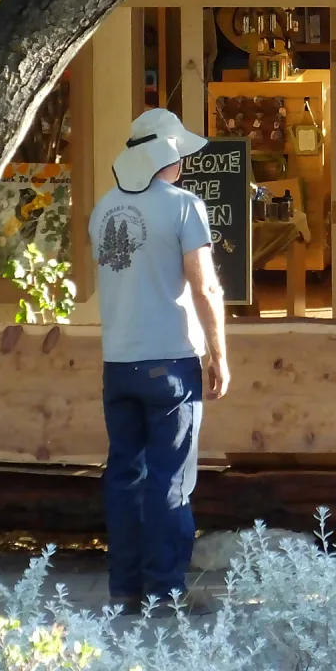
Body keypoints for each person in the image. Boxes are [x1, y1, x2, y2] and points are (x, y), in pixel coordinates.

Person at [89, 108, 228, 612]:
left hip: (117, 362)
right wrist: (219, 353)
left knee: (125, 477)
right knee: (172, 479)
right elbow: (204, 283)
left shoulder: (102, 209)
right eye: (179, 157)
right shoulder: (184, 206)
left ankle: (125, 589)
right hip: (171, 360)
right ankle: (164, 593)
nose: (183, 166)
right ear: (165, 158)